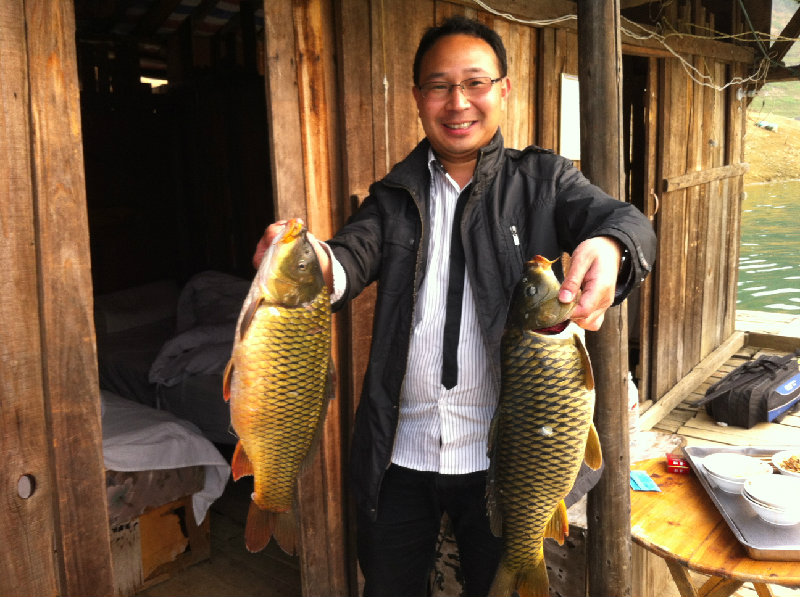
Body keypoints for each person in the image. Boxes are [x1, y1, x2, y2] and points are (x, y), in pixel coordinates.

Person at [254, 15, 656, 597]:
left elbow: (626, 221)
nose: (458, 102)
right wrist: (312, 263)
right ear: (418, 97)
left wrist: (614, 248)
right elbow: (347, 259)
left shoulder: (542, 181)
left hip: (510, 456)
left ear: (504, 90)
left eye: (475, 83)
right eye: (440, 86)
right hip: (400, 454)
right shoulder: (392, 197)